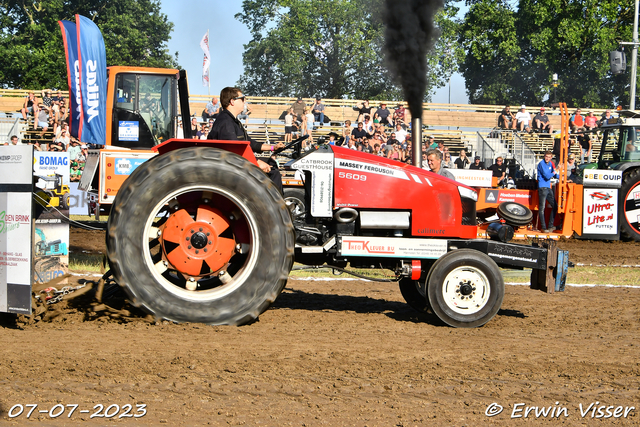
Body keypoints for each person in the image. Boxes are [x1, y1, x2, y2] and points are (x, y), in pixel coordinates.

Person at [207, 87, 285, 193]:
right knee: (273, 173)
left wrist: (272, 147)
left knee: (272, 163)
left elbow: (250, 143)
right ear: (232, 101)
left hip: (236, 163)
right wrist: (257, 163)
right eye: (242, 99)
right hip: (229, 168)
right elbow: (233, 151)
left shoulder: (233, 121)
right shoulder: (226, 122)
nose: (245, 102)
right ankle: (273, 206)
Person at [537, 151, 559, 233]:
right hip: (542, 187)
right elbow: (547, 175)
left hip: (548, 187)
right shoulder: (541, 164)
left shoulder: (550, 164)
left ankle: (550, 226)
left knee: (555, 206)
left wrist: (563, 178)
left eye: (549, 157)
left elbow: (555, 174)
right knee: (542, 208)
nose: (547, 158)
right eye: (546, 156)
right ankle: (543, 227)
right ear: (544, 156)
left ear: (551, 157)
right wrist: (555, 170)